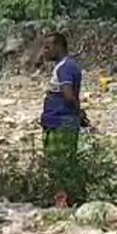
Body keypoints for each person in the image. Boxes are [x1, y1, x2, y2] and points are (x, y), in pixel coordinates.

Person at [40, 32, 83, 160]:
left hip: (61, 123)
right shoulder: (65, 66)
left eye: (47, 47)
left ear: (58, 47)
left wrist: (78, 112)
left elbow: (68, 95)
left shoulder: (65, 68)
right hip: (58, 122)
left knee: (59, 163)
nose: (44, 51)